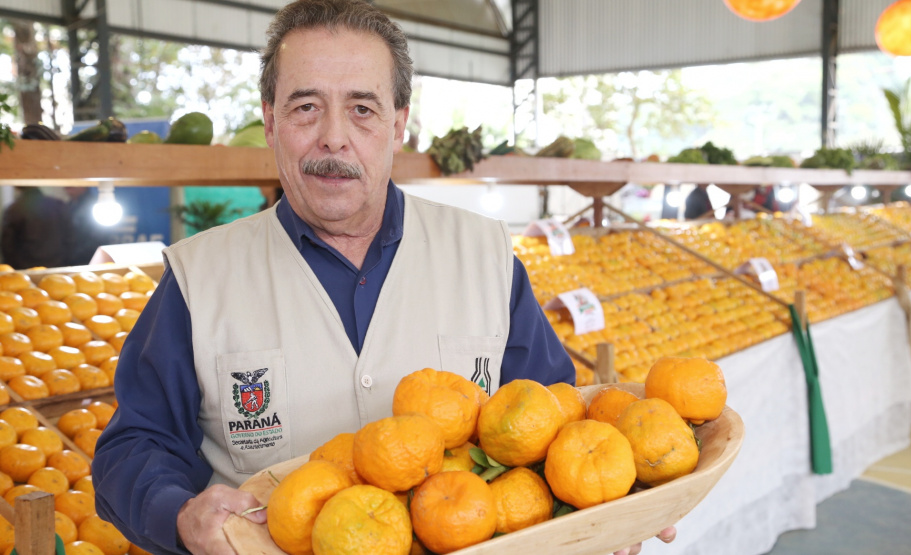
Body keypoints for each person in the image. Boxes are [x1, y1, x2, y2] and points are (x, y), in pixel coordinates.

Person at [92, 2, 675, 554]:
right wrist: (178, 513)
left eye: (362, 108)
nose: (334, 137)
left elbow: (557, 420)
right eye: (305, 107)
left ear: (398, 125)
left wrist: (620, 502)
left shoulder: (486, 257)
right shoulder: (200, 279)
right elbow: (134, 445)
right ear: (270, 122)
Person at [0, 186, 69, 269]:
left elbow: (8, 248)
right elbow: (70, 239)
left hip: (25, 271)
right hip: (57, 267)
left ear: (17, 186)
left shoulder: (14, 209)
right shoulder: (58, 205)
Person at [63, 187, 118, 266]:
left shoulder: (97, 206)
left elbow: (98, 239)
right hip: (70, 264)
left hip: (91, 264)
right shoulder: (69, 205)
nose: (67, 185)